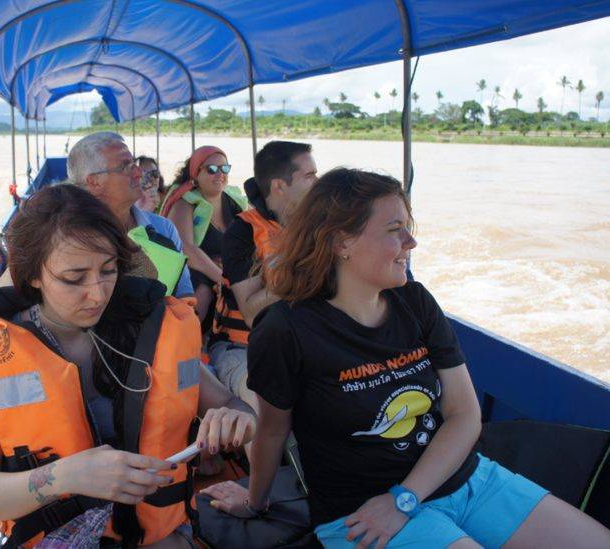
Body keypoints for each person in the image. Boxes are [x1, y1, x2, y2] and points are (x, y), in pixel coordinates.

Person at [202, 168, 610, 548]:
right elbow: (273, 432)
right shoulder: (285, 330)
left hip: (465, 480)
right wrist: (255, 502)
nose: (411, 244)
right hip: (363, 512)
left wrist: (405, 498)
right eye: (396, 230)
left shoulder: (414, 302)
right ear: (340, 242)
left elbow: (464, 414)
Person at [0, 184, 256, 548]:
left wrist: (237, 417)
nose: (97, 294)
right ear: (33, 275)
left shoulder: (152, 329)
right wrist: (66, 476)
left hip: (155, 531)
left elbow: (231, 405)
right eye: (73, 278)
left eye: (108, 271)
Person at [210, 141, 318, 414]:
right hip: (243, 349)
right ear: (280, 186)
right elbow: (250, 311)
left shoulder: (320, 227)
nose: (318, 183)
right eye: (309, 176)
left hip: (306, 342)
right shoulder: (243, 232)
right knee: (262, 401)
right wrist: (303, 276)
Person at [68, 132, 193, 300]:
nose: (139, 173)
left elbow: (184, 293)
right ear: (94, 182)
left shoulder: (163, 229)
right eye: (125, 167)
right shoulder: (71, 238)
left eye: (134, 163)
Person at [162, 146, 248, 329]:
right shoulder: (185, 203)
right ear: (196, 173)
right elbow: (186, 248)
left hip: (230, 267)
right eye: (211, 169)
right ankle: (188, 339)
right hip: (194, 269)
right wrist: (222, 278)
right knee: (203, 290)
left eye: (224, 169)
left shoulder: (234, 202)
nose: (219, 174)